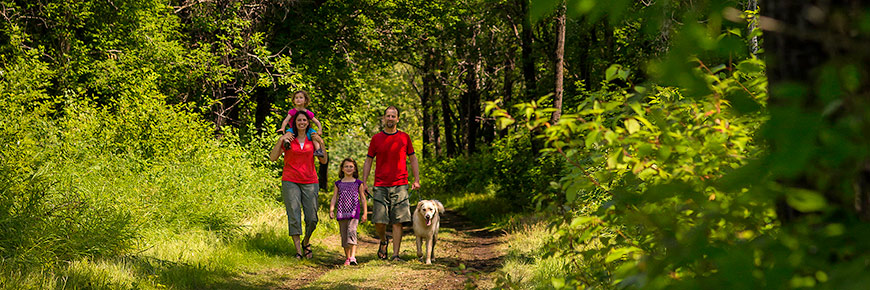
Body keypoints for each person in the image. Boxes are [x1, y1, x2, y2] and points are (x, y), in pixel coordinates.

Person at [361, 106, 420, 261]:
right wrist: (364, 182)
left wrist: (416, 180)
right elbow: (368, 160)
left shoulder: (404, 137)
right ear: (384, 118)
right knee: (379, 221)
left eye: (393, 116)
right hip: (380, 184)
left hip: (400, 184)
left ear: (397, 119)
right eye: (388, 116)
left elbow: (413, 158)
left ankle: (395, 254)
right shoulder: (376, 139)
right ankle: (383, 240)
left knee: (398, 220)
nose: (390, 118)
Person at [270, 110, 328, 259]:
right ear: (294, 123)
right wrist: (280, 140)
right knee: (294, 216)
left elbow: (323, 161)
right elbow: (273, 158)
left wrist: (321, 143)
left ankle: (306, 242)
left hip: (310, 181)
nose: (302, 122)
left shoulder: (312, 138)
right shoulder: (289, 139)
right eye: (299, 120)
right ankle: (298, 252)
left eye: (304, 120)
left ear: (308, 122)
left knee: (312, 218)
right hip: (290, 181)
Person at [329, 157, 368, 266]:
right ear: (342, 169)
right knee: (344, 235)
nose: (349, 168)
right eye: (346, 166)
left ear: (355, 169)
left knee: (352, 232)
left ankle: (353, 257)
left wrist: (365, 213)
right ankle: (347, 257)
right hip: (341, 212)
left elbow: (363, 198)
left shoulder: (358, 183)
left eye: (351, 166)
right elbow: (334, 197)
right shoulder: (338, 183)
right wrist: (331, 210)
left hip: (354, 212)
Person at [278, 90, 326, 157]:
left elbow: (317, 122)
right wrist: (283, 128)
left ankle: (318, 150)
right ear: (293, 100)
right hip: (294, 129)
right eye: (296, 98)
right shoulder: (292, 111)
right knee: (288, 134)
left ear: (305, 100)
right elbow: (286, 120)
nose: (298, 99)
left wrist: (320, 130)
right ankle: (287, 144)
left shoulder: (307, 112)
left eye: (301, 98)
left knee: (314, 136)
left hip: (306, 130)